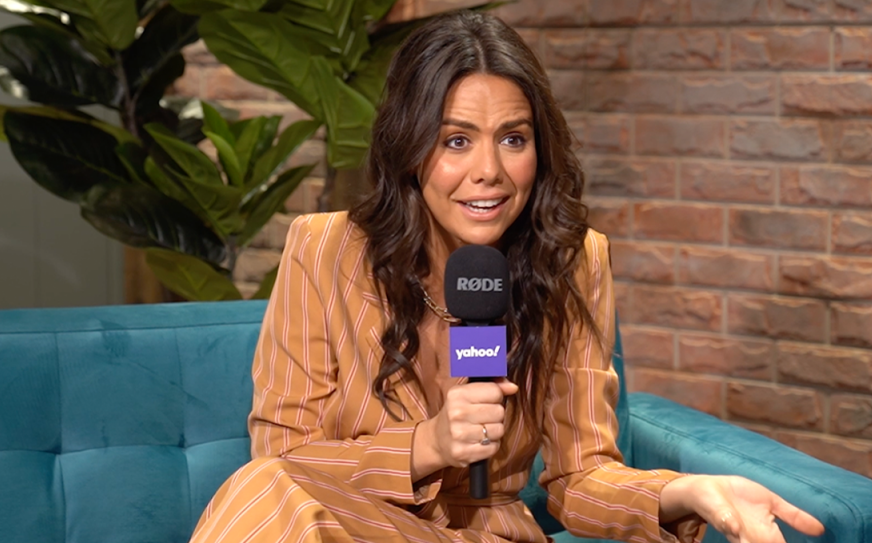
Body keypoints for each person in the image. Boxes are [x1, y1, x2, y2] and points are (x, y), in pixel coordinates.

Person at [189, 11, 826, 543]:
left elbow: (580, 479)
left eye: (513, 139)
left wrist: (685, 491)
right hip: (350, 528)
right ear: (410, 151)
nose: (489, 171)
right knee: (267, 487)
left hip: (489, 534)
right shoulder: (324, 250)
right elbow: (284, 461)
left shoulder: (572, 260)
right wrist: (428, 446)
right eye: (456, 141)